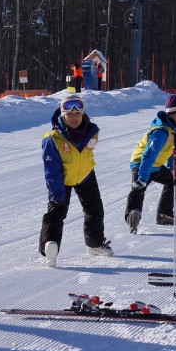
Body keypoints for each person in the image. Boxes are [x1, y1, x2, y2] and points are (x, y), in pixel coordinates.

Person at [39, 95, 113, 267]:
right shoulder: (52, 138)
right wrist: (57, 194)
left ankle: (94, 244)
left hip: (86, 175)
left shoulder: (92, 132)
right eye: (69, 115)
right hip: (61, 180)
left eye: (77, 114)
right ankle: (50, 246)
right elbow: (51, 170)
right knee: (56, 212)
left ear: (83, 114)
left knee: (95, 211)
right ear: (62, 114)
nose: (74, 118)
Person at [125, 94, 176, 234]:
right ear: (171, 114)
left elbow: (170, 152)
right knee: (138, 188)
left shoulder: (171, 131)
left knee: (174, 180)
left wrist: (172, 169)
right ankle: (132, 218)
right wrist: (142, 178)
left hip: (155, 165)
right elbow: (149, 155)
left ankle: (164, 214)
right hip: (141, 163)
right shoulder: (160, 132)